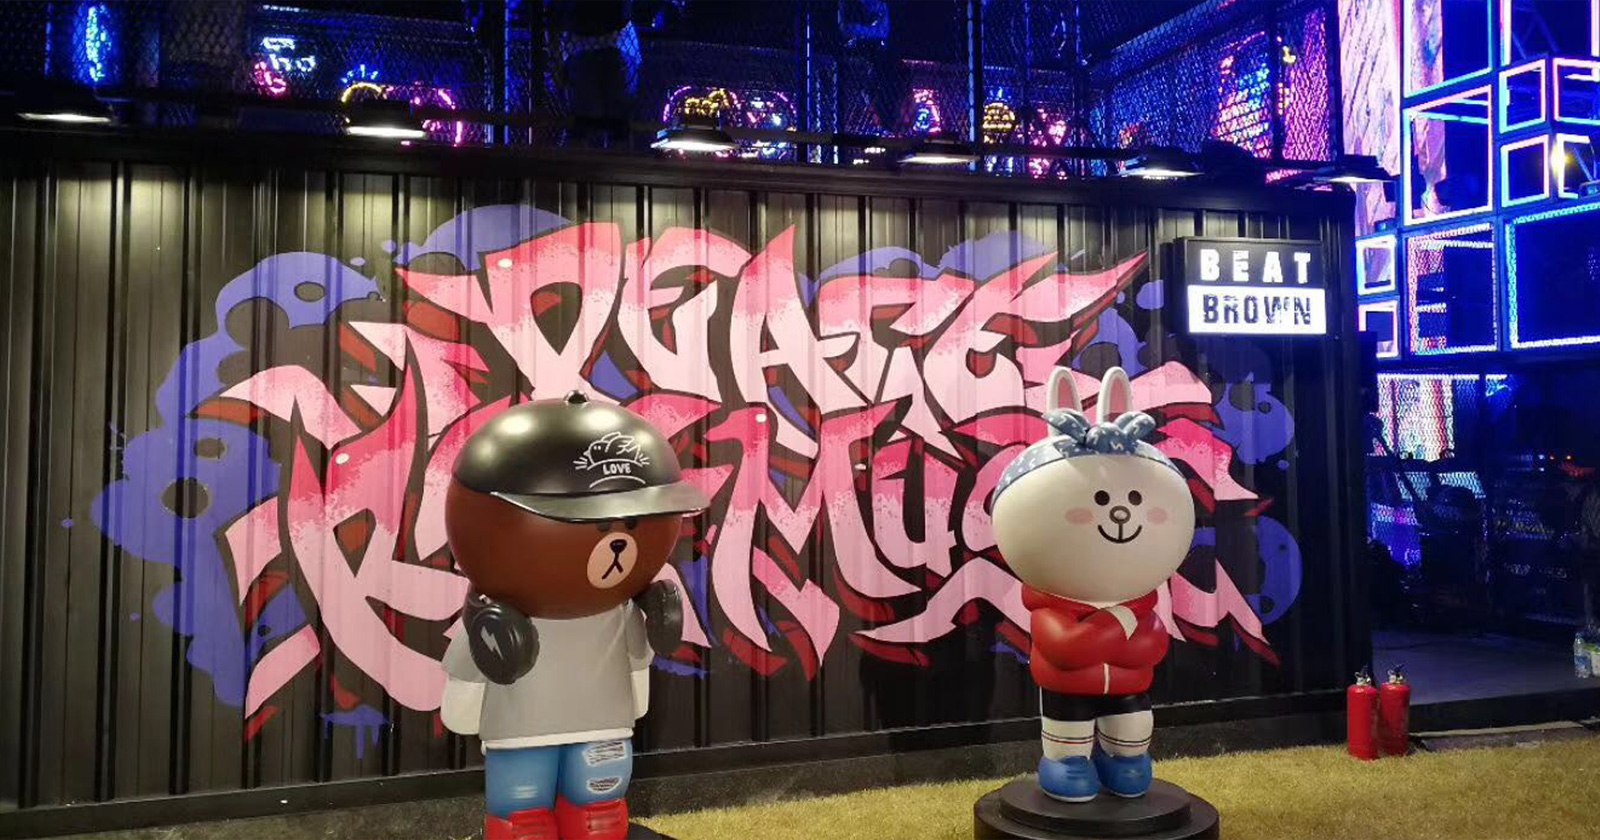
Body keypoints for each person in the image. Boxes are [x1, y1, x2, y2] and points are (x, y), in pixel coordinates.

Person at [439, 391, 708, 840]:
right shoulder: (495, 622)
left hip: (603, 727)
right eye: (597, 525)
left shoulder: (619, 609)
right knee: (523, 810)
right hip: (523, 732)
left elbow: (635, 669)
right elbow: (464, 698)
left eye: (631, 525)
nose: (617, 543)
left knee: (597, 805)